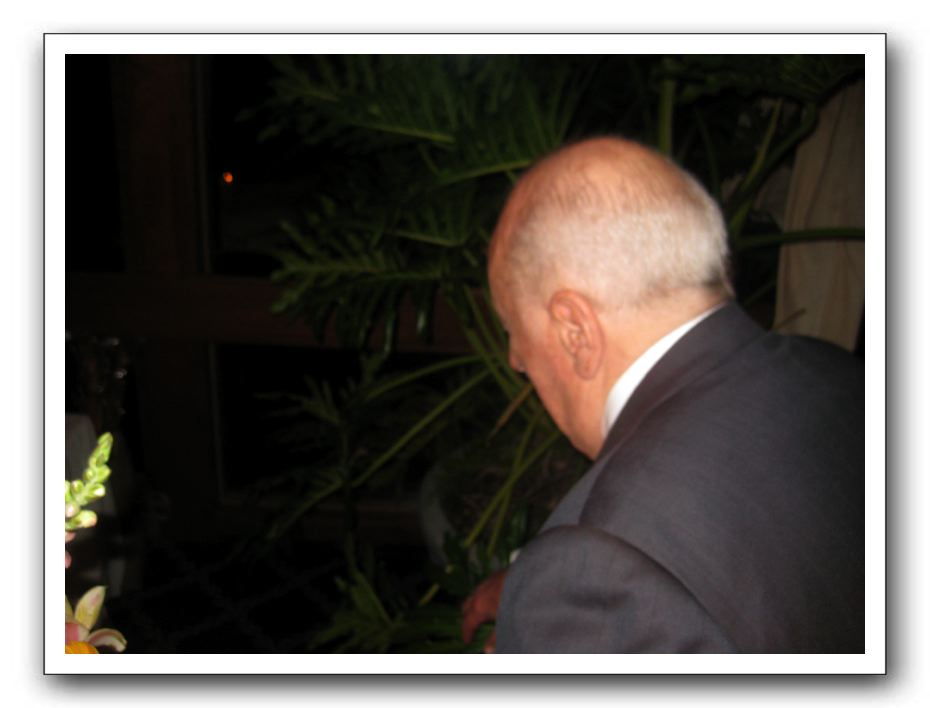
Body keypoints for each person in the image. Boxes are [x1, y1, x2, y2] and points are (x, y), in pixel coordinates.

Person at [461, 136, 864, 653]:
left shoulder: (598, 570)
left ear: (574, 330)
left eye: (514, 331)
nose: (516, 360)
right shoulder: (835, 372)